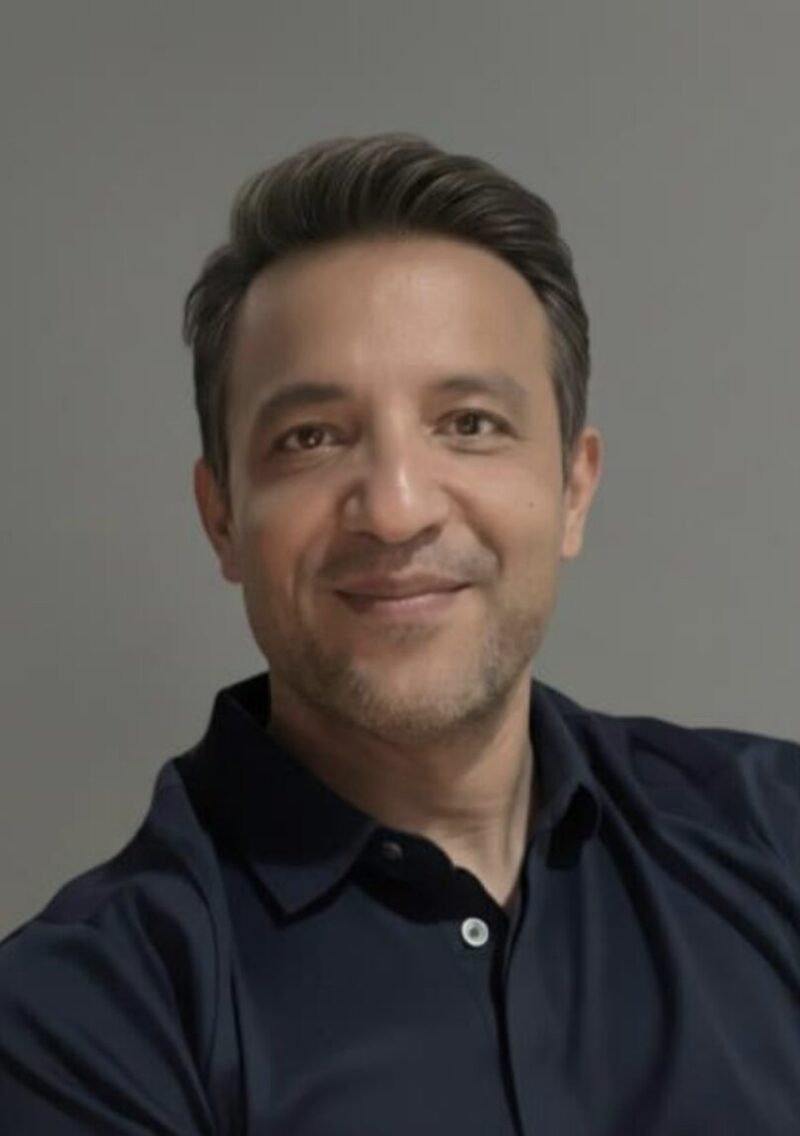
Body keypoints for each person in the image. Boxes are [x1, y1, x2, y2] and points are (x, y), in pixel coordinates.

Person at [0, 133, 797, 1135]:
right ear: (221, 518)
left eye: (467, 422)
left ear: (571, 489)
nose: (394, 507)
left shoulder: (778, 834)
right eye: (311, 437)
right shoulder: (84, 1020)